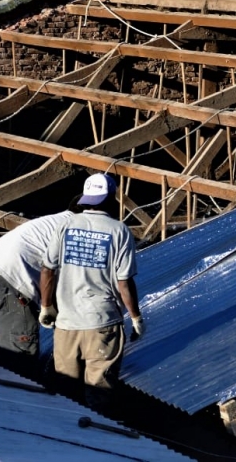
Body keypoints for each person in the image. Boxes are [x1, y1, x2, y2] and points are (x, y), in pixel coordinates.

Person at [39, 173, 143, 410]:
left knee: (65, 393)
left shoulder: (65, 225)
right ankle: (97, 436)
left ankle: (67, 440)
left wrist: (46, 306)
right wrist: (136, 318)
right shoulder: (119, 230)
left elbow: (47, 270)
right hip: (102, 323)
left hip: (67, 325)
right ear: (111, 198)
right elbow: (124, 282)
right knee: (99, 394)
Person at [0, 205, 77, 380]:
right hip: (9, 283)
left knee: (6, 348)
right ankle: (21, 401)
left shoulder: (54, 220)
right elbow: (56, 275)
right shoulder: (76, 229)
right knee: (20, 356)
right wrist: (49, 307)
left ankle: (6, 393)